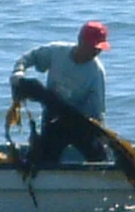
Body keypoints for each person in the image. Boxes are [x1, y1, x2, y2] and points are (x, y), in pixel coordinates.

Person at [11, 20, 111, 163]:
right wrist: (18, 72)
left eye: (100, 48)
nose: (97, 51)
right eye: (93, 47)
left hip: (79, 123)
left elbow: (97, 111)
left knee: (98, 156)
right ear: (81, 41)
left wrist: (102, 136)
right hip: (53, 119)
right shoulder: (57, 52)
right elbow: (28, 58)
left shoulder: (96, 72)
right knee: (42, 159)